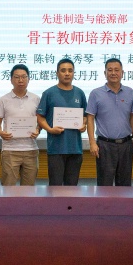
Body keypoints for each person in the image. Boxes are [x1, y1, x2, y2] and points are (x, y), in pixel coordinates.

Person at [86, 58, 133, 186]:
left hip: (126, 144)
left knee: (125, 185)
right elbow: (90, 118)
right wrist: (92, 142)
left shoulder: (130, 92)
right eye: (110, 70)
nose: (113, 73)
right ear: (105, 73)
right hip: (105, 145)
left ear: (122, 73)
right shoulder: (95, 93)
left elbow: (132, 117)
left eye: (116, 70)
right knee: (104, 185)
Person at [37, 58, 87, 186]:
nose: (67, 73)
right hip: (56, 149)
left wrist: (83, 125)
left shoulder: (80, 93)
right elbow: (40, 117)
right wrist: (50, 129)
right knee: (55, 188)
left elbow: (85, 116)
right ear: (57, 73)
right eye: (63, 70)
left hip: (75, 149)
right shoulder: (49, 93)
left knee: (72, 188)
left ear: (74, 73)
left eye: (70, 70)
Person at [0, 64, 41, 186]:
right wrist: (1, 133)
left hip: (31, 149)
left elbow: (40, 121)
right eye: (17, 77)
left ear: (29, 79)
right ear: (11, 79)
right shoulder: (3, 99)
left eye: (24, 77)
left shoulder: (36, 99)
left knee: (29, 189)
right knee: (8, 188)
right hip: (10, 150)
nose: (20, 80)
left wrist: (38, 130)